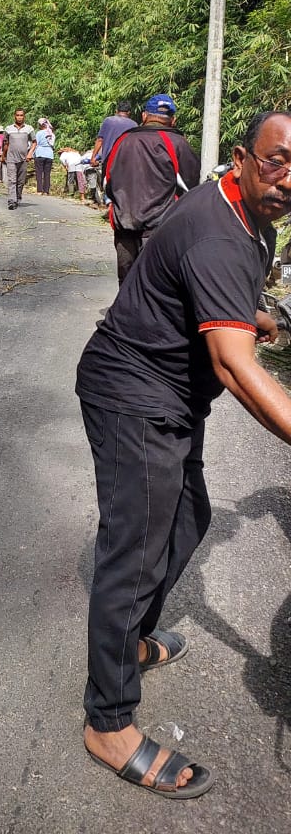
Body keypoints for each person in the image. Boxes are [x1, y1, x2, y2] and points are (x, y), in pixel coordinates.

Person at [75, 110, 291, 800]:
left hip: (171, 397)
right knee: (134, 551)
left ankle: (132, 641)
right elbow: (232, 366)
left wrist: (261, 315)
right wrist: (245, 334)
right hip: (132, 391)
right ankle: (108, 721)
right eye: (276, 161)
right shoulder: (219, 228)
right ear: (241, 157)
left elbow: (221, 300)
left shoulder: (253, 216)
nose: (289, 179)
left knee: (190, 516)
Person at [105, 93, 200, 285]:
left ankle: (126, 313)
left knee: (126, 279)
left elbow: (107, 181)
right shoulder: (177, 143)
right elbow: (191, 187)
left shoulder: (123, 141)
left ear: (143, 116)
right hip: (160, 226)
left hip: (125, 223)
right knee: (155, 282)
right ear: (173, 119)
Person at [2, 109, 36, 209]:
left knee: (20, 181)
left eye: (21, 115)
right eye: (18, 115)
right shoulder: (8, 129)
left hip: (24, 158)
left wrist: (30, 153)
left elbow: (34, 142)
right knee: (12, 180)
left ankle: (18, 196)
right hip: (11, 158)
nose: (19, 117)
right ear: (14, 116)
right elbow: (5, 143)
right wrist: (3, 155)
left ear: (24, 116)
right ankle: (12, 201)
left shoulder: (29, 129)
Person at [90, 100, 137, 171]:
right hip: (126, 162)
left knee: (107, 181)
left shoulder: (108, 121)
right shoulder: (134, 125)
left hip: (108, 161)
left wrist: (93, 158)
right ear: (129, 112)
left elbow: (100, 140)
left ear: (116, 111)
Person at [29, 118, 55, 195]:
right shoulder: (52, 134)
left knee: (39, 172)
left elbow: (35, 143)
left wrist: (31, 153)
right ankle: (46, 191)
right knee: (47, 173)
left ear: (41, 125)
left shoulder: (39, 133)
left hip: (40, 153)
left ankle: (39, 190)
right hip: (49, 154)